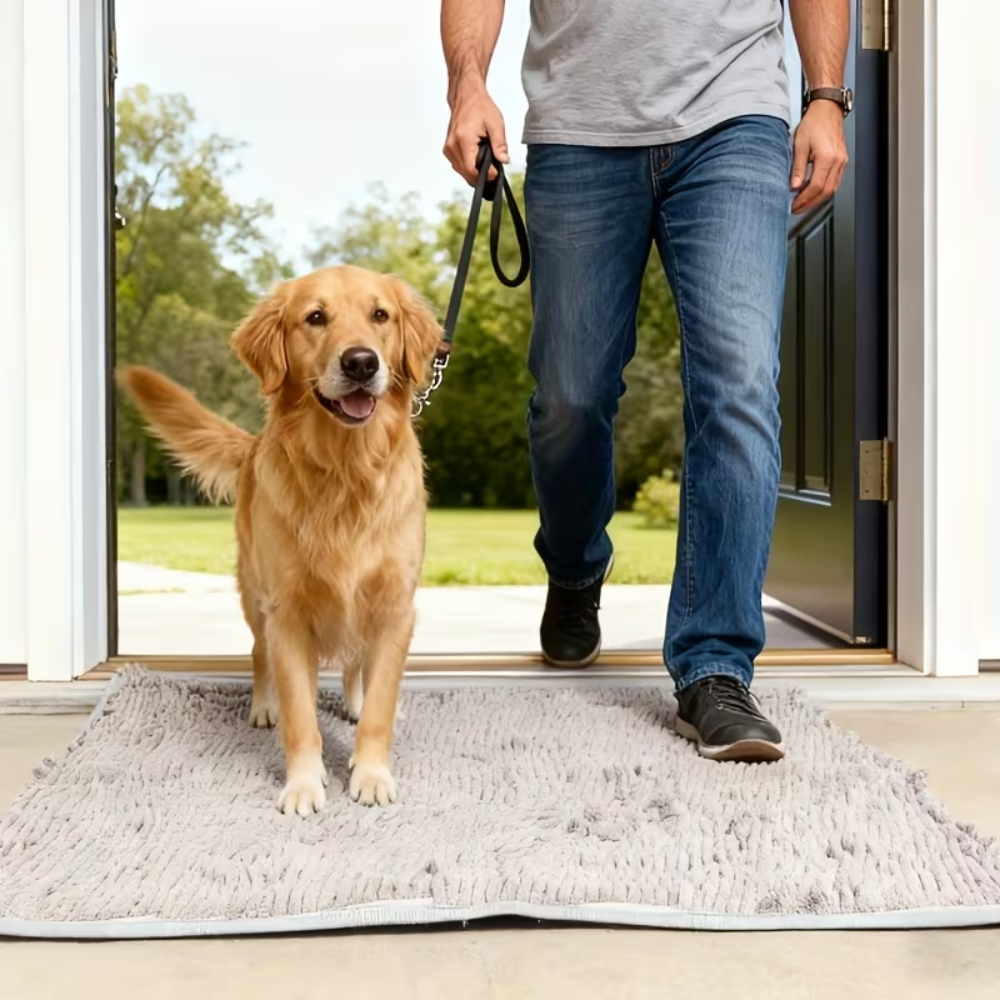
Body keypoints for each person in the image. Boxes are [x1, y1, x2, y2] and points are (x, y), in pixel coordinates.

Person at [440, 0, 850, 762]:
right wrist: (469, 87)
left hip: (737, 116)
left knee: (738, 385)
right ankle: (574, 570)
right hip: (579, 125)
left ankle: (717, 666)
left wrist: (825, 98)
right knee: (569, 393)